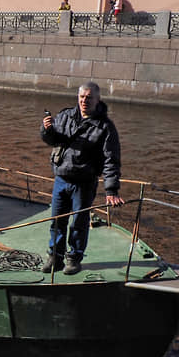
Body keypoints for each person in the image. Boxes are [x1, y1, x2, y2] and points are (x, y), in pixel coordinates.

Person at [40, 82, 124, 275]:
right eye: (82, 97)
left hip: (84, 183)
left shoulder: (105, 127)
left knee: (79, 222)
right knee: (56, 220)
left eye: (89, 97)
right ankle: (55, 257)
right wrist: (47, 130)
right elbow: (52, 140)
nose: (84, 101)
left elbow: (112, 160)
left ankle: (74, 258)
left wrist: (111, 190)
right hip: (61, 179)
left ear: (97, 99)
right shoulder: (65, 116)